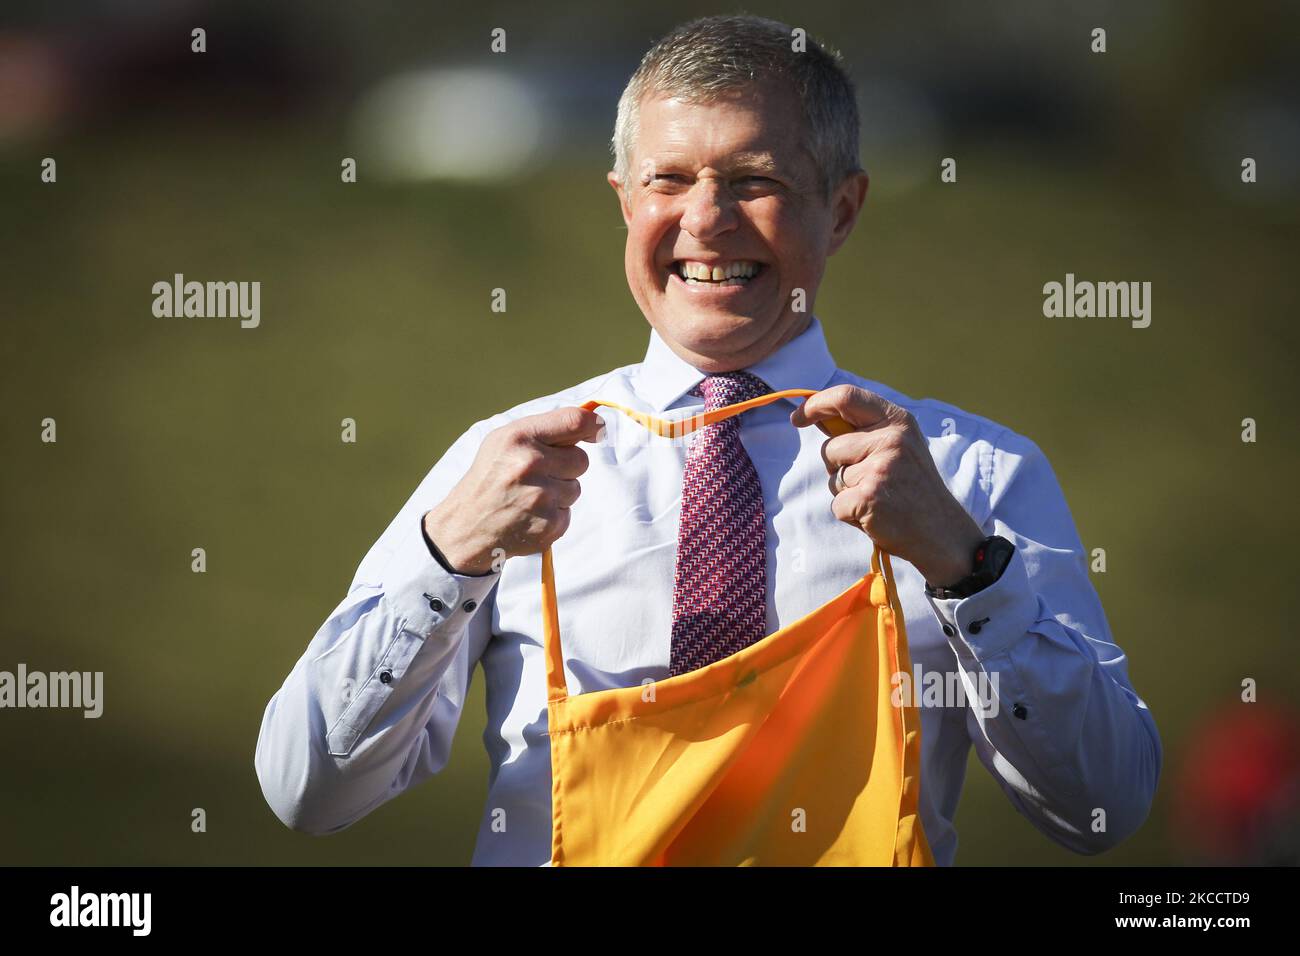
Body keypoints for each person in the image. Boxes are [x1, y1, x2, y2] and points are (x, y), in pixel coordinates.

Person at [255, 13, 1161, 865]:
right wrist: (448, 558)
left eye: (754, 180)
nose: (706, 219)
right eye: (669, 179)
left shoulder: (969, 476)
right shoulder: (507, 462)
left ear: (842, 210)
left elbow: (1104, 808)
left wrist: (968, 571)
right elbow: (307, 790)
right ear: (623, 200)